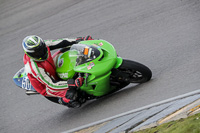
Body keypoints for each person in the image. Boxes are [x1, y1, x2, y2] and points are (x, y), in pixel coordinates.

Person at [22, 35, 93, 108]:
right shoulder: (33, 67)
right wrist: (72, 83)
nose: (41, 53)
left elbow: (61, 42)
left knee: (68, 49)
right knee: (73, 95)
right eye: (36, 53)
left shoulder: (43, 45)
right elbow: (51, 85)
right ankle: (64, 100)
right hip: (47, 87)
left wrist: (80, 39)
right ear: (29, 54)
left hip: (51, 66)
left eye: (42, 49)